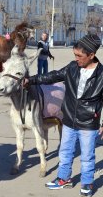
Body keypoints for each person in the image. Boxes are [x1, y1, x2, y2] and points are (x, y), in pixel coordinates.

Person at [23, 34, 103, 197]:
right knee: (65, 151)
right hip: (68, 120)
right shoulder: (73, 67)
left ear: (91, 55)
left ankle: (87, 183)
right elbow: (52, 76)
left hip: (89, 122)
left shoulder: (101, 75)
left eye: (80, 56)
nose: (76, 59)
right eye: (75, 55)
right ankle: (63, 178)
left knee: (87, 156)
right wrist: (30, 80)